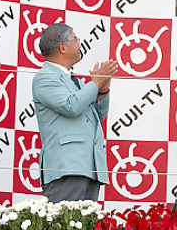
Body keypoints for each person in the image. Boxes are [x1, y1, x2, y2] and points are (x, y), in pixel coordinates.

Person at [32, 23, 117, 202]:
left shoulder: (71, 79)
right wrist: (95, 84)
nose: (80, 44)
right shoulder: (45, 77)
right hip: (67, 168)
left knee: (85, 228)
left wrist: (102, 91)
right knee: (64, 227)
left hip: (89, 166)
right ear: (63, 46)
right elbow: (71, 106)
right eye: (76, 39)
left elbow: (95, 116)